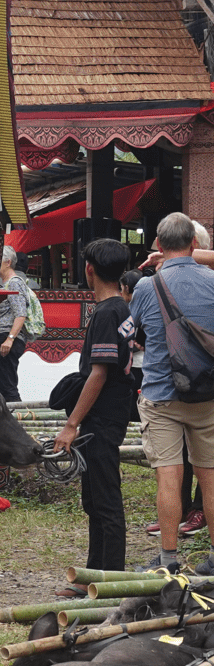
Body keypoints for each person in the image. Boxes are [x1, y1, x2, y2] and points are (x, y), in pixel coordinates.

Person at [127, 213, 214, 574]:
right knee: (210, 476)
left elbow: (129, 333)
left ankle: (168, 559)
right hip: (208, 393)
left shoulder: (147, 287)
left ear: (159, 246)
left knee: (168, 476)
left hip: (162, 393)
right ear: (194, 245)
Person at [53, 238, 134, 572]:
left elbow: (99, 373)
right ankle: (92, 575)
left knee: (106, 501)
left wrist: (71, 424)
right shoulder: (121, 308)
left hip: (101, 418)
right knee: (95, 500)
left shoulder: (106, 312)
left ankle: (110, 579)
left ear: (89, 269)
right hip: (108, 415)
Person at [0, 245, 28, 401]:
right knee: (5, 386)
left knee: (7, 388)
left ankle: (18, 421)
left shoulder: (14, 282)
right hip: (3, 338)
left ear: (8, 262)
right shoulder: (7, 283)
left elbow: (21, 314)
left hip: (7, 338)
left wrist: (10, 338)